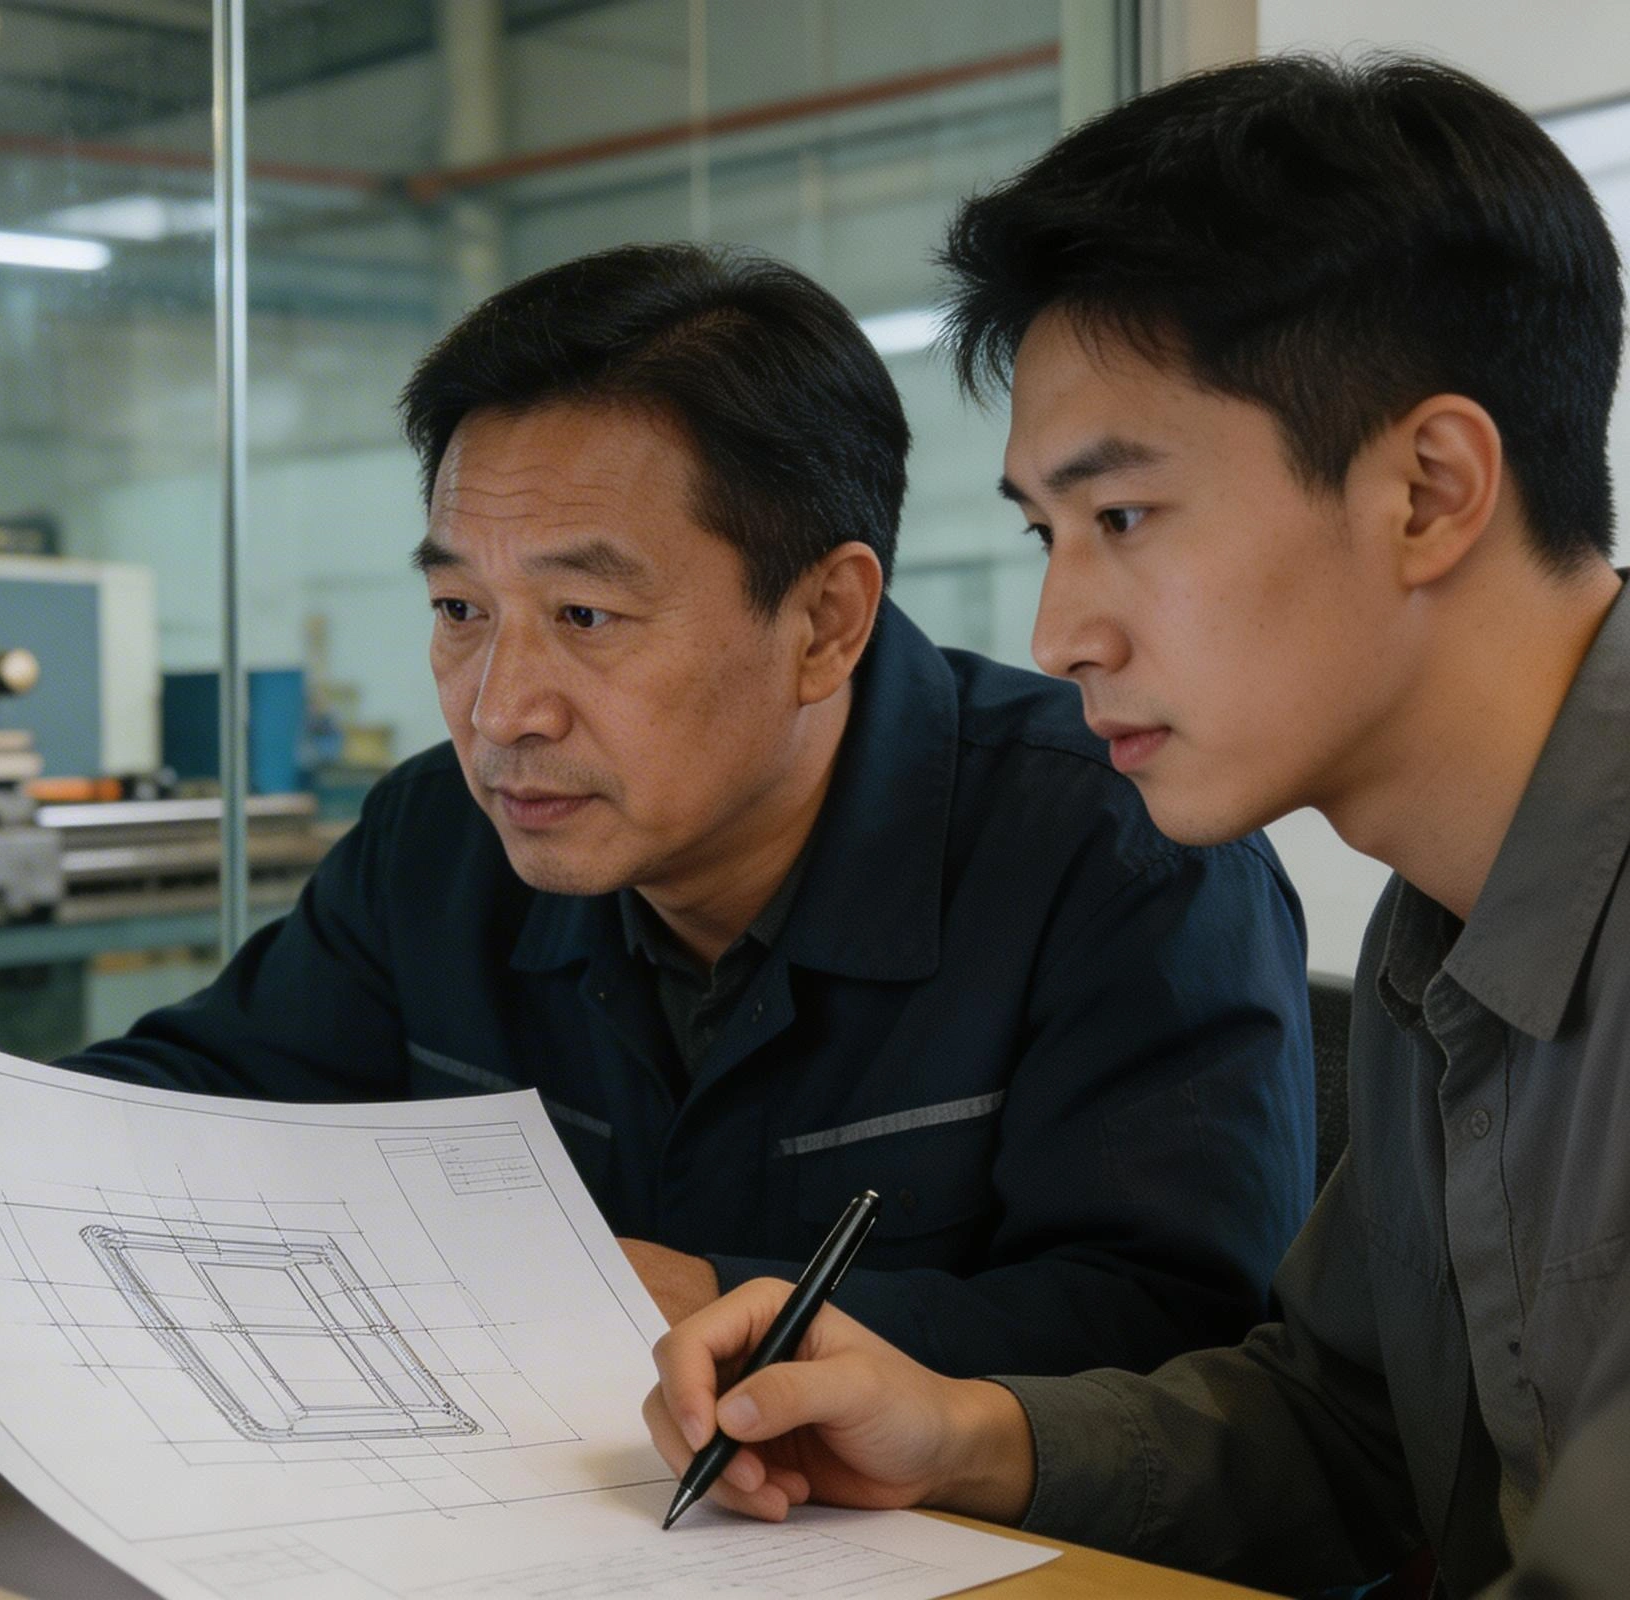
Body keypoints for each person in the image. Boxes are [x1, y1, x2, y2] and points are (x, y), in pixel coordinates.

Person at [0, 243, 1314, 1385]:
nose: (500, 708)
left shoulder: (1115, 848)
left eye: (586, 621)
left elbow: (1184, 1333)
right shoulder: (442, 846)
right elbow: (183, 1111)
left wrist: (714, 1301)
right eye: (462, 611)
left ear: (825, 619)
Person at [644, 56, 1630, 1597]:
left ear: (1431, 491)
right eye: (1047, 534)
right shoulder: (1438, 925)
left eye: (1123, 519)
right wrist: (959, 1433)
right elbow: (1350, 1429)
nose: (1059, 633)